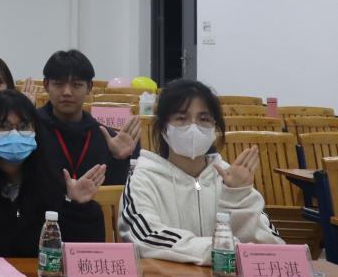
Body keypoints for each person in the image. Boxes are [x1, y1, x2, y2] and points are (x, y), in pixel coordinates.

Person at [119, 79, 282, 261]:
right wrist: (218, 250)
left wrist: (238, 197)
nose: (193, 127)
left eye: (203, 119)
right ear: (164, 128)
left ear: (215, 129)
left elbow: (272, 244)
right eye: (181, 118)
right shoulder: (143, 179)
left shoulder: (230, 177)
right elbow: (145, 237)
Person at [0, 90, 105, 256]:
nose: (15, 134)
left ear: (36, 133)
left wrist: (77, 207)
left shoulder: (55, 190)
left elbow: (83, 255)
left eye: (23, 127)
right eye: (3, 126)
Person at [37, 49, 139, 185]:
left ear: (89, 87)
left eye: (76, 85)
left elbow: (112, 191)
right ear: (46, 85)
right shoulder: (32, 129)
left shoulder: (104, 136)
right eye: (58, 84)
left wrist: (119, 159)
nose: (67, 92)